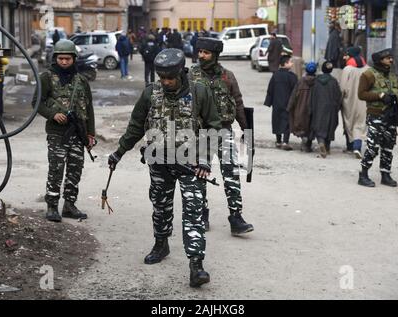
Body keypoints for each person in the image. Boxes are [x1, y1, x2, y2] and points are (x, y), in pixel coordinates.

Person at [107, 48, 221, 288]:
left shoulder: (199, 92)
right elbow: (136, 125)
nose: (167, 82)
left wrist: (204, 160)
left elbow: (213, 127)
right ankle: (161, 244)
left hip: (191, 164)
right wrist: (119, 152)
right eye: (163, 78)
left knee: (193, 211)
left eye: (170, 77)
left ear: (180, 72)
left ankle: (196, 264)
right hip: (159, 163)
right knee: (161, 207)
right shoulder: (150, 93)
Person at [188, 37, 254, 235]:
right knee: (199, 174)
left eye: (206, 53)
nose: (201, 56)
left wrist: (246, 129)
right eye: (199, 52)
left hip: (224, 131)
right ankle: (202, 214)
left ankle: (236, 217)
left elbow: (238, 102)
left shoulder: (227, 77)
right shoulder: (191, 75)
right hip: (201, 133)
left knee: (231, 174)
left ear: (215, 55)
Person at [32, 39, 95, 222]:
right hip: (57, 132)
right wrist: (53, 115)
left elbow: (89, 108)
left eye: (68, 59)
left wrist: (90, 133)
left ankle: (69, 205)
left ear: (74, 59)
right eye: (61, 59)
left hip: (78, 132)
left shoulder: (81, 80)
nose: (65, 62)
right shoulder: (46, 77)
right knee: (56, 169)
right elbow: (37, 103)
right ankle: (52, 206)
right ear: (56, 58)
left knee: (75, 169)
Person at [357, 48, 398, 188]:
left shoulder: (392, 75)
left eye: (391, 57)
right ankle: (363, 174)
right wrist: (380, 96)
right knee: (372, 146)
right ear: (379, 60)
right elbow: (361, 94)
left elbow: (397, 94)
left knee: (388, 147)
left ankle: (385, 174)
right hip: (376, 115)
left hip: (391, 116)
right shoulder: (368, 75)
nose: (391, 60)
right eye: (387, 58)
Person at [264, 55, 298, 151]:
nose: (292, 63)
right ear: (285, 63)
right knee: (287, 122)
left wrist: (268, 102)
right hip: (288, 104)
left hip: (277, 103)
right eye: (290, 62)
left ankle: (278, 141)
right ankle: (285, 142)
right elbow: (296, 91)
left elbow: (270, 89)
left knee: (277, 121)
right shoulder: (292, 77)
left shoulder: (275, 75)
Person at [309, 61, 342, 158]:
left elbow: (312, 95)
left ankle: (321, 142)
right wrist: (337, 106)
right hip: (331, 107)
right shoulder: (334, 81)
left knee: (319, 125)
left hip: (318, 107)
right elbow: (338, 95)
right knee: (330, 125)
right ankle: (327, 147)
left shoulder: (316, 81)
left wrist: (312, 106)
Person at [340, 46, 368, 159]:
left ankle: (351, 146)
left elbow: (342, 88)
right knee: (361, 124)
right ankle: (357, 146)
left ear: (350, 56)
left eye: (346, 55)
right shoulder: (367, 69)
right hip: (364, 101)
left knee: (349, 124)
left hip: (349, 101)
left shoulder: (347, 69)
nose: (344, 57)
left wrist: (340, 100)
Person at [287, 62, 317, 152]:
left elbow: (294, 95)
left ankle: (304, 140)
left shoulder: (301, 81)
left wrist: (289, 106)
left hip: (301, 108)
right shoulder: (317, 82)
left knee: (302, 125)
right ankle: (308, 144)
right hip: (313, 108)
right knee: (311, 125)